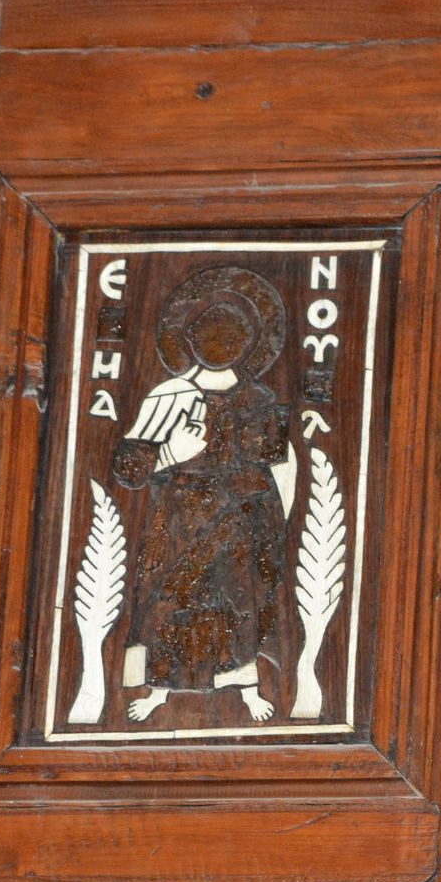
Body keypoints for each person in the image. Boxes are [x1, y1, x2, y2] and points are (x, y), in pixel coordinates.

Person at [113, 266, 298, 723]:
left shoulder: (258, 398)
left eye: (230, 338)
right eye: (210, 335)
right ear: (190, 339)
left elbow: (274, 464)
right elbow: (128, 469)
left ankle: (247, 687)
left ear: (246, 345)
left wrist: (272, 522)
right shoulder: (169, 394)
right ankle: (159, 689)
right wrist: (170, 453)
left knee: (239, 603)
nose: (220, 346)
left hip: (239, 522)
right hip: (178, 522)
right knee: (170, 601)